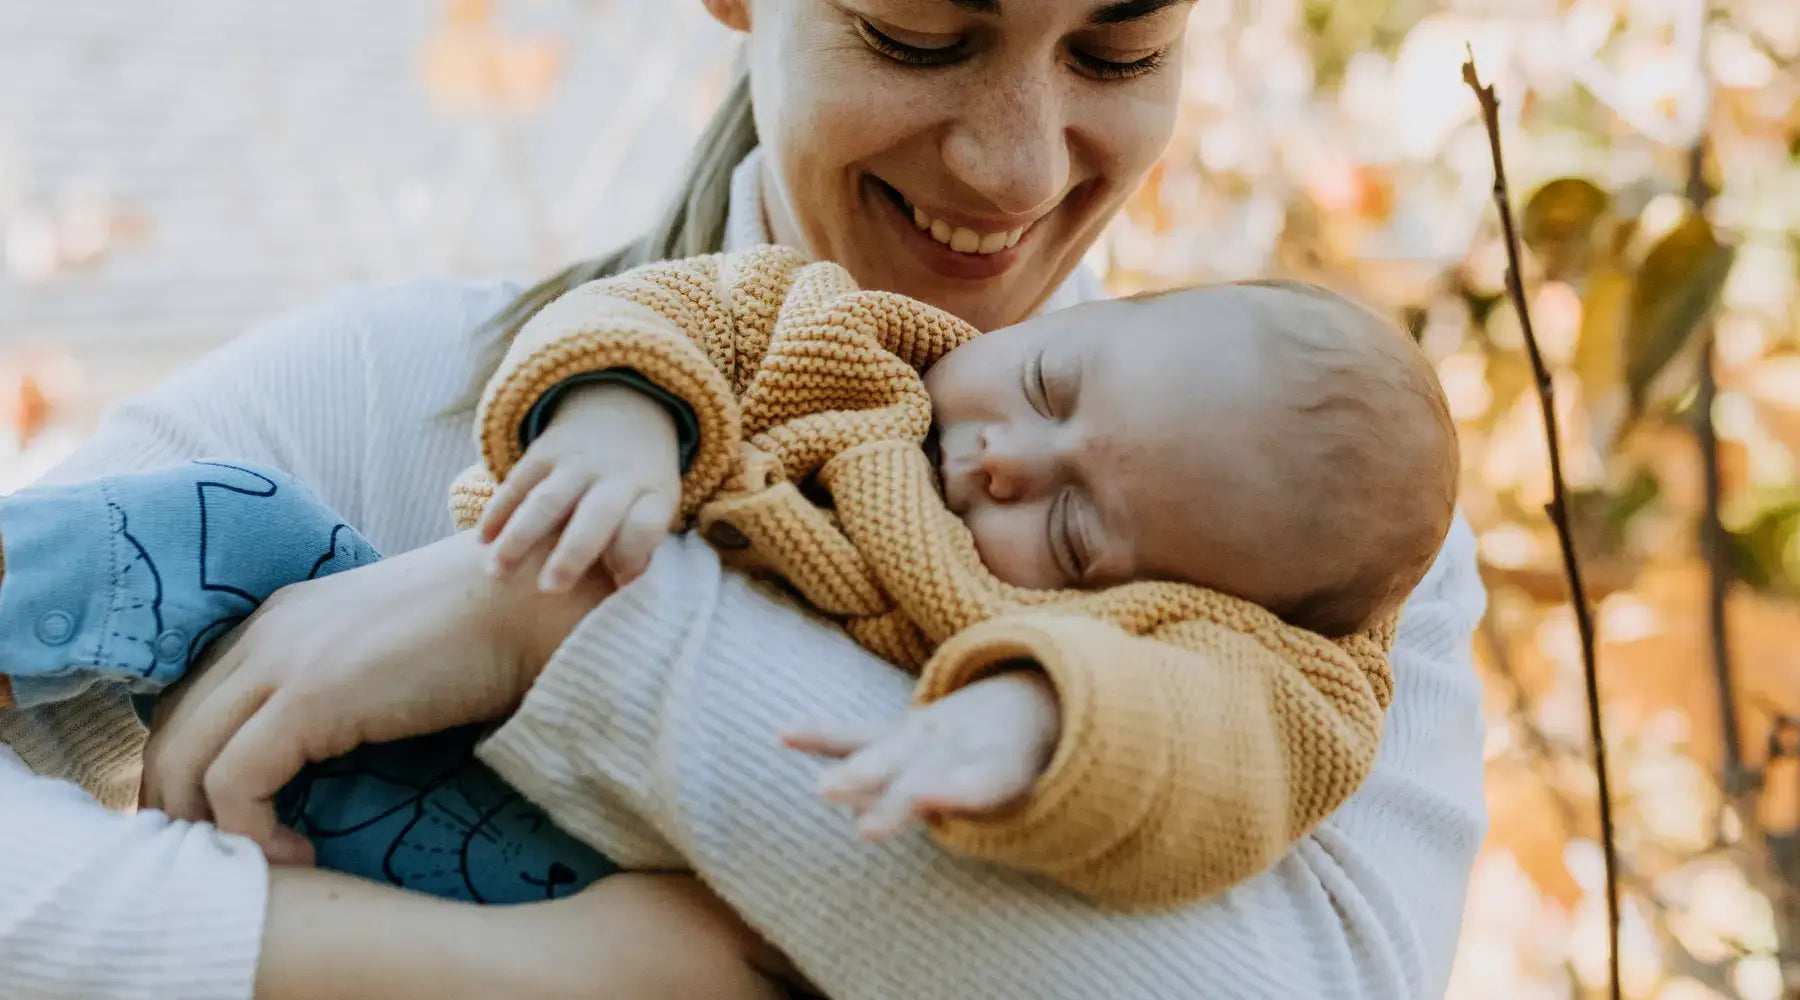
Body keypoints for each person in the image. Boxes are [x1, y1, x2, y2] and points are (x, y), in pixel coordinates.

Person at [0, 1, 1488, 998]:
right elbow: (666, 340)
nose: (1018, 163)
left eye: (1119, 51)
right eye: (917, 32)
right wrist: (567, 979)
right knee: (206, 531)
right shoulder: (395, 389)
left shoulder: (1310, 541)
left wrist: (565, 634)